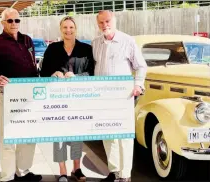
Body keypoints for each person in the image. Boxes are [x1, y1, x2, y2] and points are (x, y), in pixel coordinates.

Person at [92, 10, 147, 182]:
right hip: (102, 97)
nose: (104, 25)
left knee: (124, 136)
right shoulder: (95, 43)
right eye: (101, 22)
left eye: (107, 21)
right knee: (108, 134)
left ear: (114, 20)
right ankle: (114, 171)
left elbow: (141, 66)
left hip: (123, 97)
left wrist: (138, 84)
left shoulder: (127, 41)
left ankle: (125, 175)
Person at [0, 8, 42, 182]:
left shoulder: (27, 40)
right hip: (8, 94)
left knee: (29, 134)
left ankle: (23, 171)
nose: (13, 24)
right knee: (8, 136)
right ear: (3, 23)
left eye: (16, 20)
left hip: (30, 94)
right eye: (9, 21)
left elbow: (34, 65)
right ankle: (8, 176)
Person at [40, 16, 95, 182]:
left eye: (71, 27)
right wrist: (53, 74)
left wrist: (76, 76)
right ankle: (62, 170)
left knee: (77, 133)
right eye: (65, 27)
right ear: (60, 29)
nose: (68, 30)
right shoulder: (52, 49)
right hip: (57, 100)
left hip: (78, 99)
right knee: (59, 135)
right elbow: (43, 73)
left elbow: (91, 73)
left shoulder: (86, 49)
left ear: (75, 29)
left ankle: (76, 168)